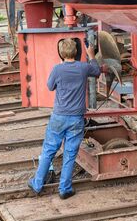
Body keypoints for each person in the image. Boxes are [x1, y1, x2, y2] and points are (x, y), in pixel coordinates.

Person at [28, 38, 101, 199]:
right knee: (70, 153)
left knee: (48, 151)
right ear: (76, 52)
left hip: (59, 116)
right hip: (76, 118)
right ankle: (65, 189)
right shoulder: (83, 68)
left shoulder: (57, 69)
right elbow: (96, 71)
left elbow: (49, 86)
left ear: (61, 53)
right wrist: (91, 55)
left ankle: (37, 184)